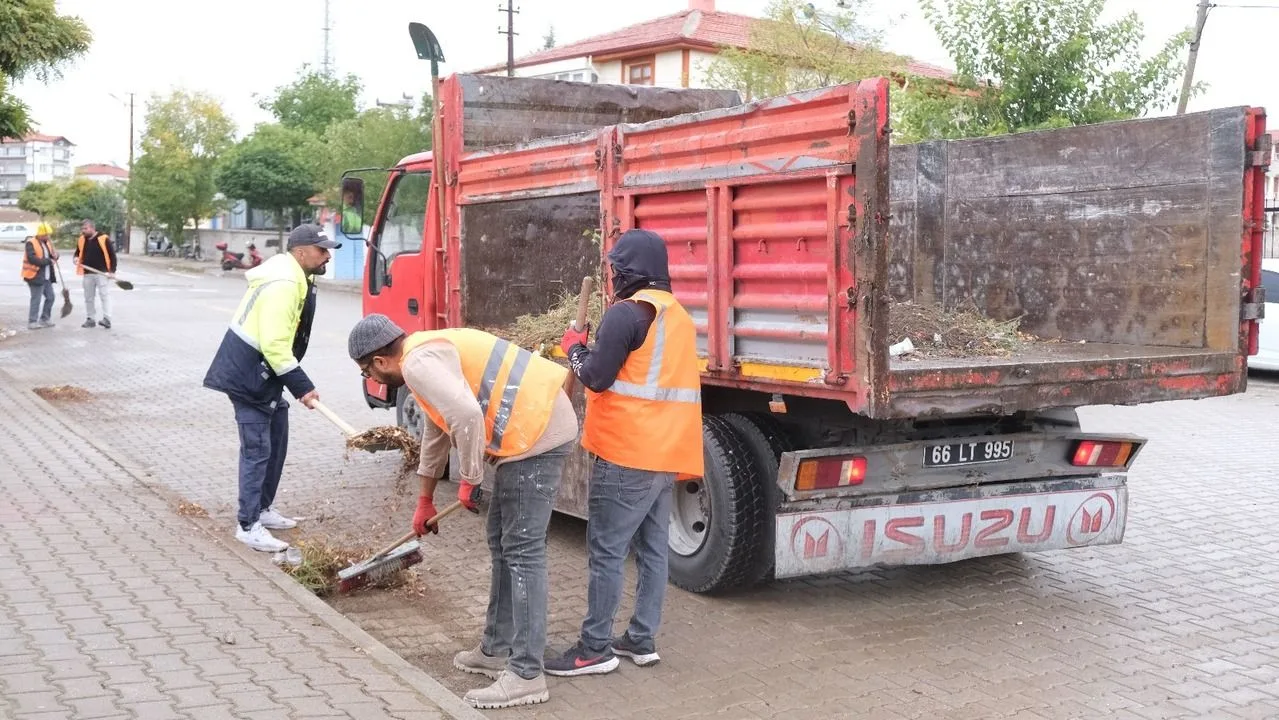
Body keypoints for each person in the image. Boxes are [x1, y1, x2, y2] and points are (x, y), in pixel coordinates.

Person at [346, 313, 578, 710]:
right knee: (501, 541)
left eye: (369, 371)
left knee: (522, 551)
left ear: (381, 361)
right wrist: (425, 499)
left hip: (538, 434)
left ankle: (526, 674)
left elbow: (468, 416)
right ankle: (496, 648)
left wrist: (470, 478)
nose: (374, 379)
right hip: (528, 432)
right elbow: (439, 431)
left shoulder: (418, 364)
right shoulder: (423, 355)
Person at [544, 229, 704, 677]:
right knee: (654, 550)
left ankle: (594, 648)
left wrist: (574, 348)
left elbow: (595, 377)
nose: (611, 276)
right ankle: (641, 637)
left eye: (615, 268)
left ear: (629, 271)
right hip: (665, 453)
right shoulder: (678, 317)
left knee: (607, 551)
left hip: (627, 452)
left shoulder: (625, 315)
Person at [202, 224, 339, 553]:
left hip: (264, 372)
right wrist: (303, 387)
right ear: (301, 251)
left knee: (277, 433)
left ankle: (263, 508)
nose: (327, 255)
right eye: (322, 250)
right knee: (257, 450)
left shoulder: (298, 276)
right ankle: (248, 525)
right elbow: (275, 344)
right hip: (248, 374)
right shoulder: (284, 283)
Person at [74, 218, 118, 329]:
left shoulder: (103, 239)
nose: (83, 231)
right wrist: (75, 258)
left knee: (104, 296)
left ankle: (107, 319)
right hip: (88, 273)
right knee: (88, 297)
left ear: (92, 228)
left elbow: (112, 256)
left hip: (102, 273)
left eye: (85, 228)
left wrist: (112, 271)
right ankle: (90, 319)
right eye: (82, 228)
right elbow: (77, 252)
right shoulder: (82, 239)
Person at [21, 225, 59, 330]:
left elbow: (51, 256)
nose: (48, 236)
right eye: (46, 235)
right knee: (36, 299)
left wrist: (56, 255)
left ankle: (45, 319)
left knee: (51, 297)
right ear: (41, 234)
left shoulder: (47, 243)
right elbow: (32, 259)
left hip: (46, 277)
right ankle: (32, 321)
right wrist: (48, 261)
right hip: (34, 276)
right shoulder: (31, 243)